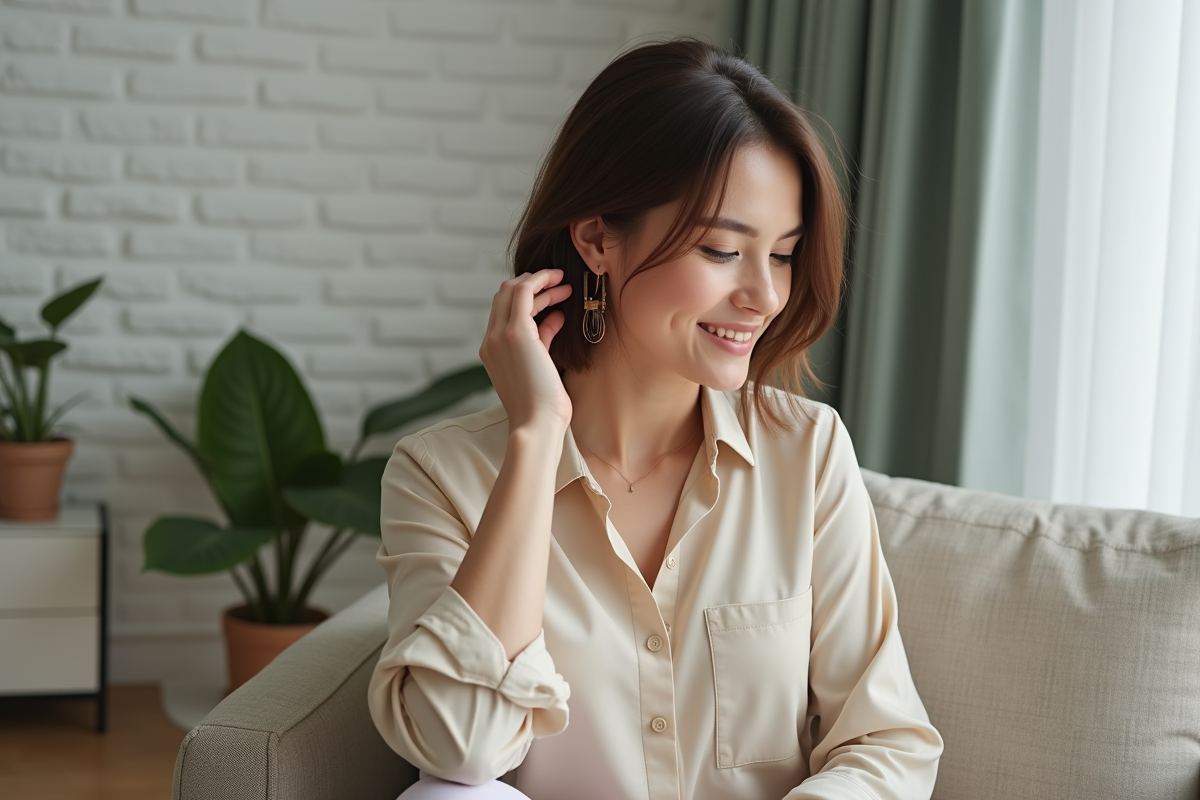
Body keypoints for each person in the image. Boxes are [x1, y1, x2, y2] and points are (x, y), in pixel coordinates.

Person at [367, 37, 943, 800]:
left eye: (781, 255)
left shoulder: (805, 454)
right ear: (597, 238)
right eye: (721, 250)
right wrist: (536, 441)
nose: (765, 297)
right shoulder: (442, 476)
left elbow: (886, 743)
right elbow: (460, 748)